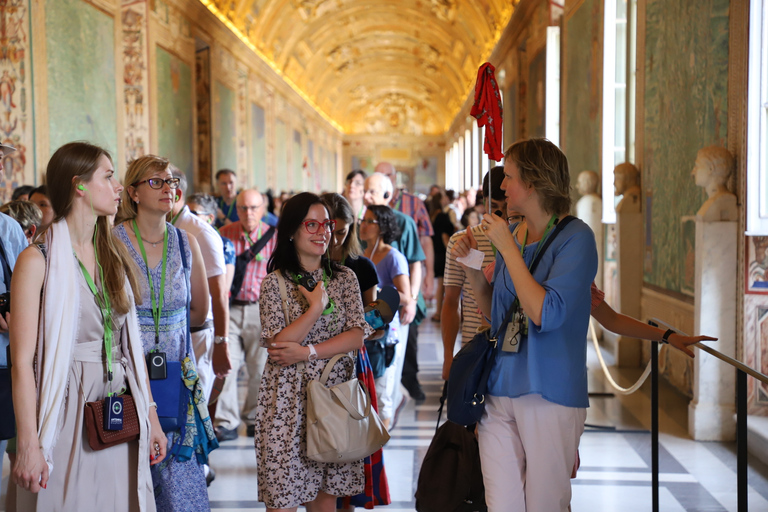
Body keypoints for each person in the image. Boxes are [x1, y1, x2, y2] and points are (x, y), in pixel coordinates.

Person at [10, 142, 165, 511]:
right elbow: (21, 364)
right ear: (78, 185)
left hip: (117, 405)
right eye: (108, 177)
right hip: (65, 403)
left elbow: (131, 347)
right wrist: (29, 444)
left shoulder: (112, 253)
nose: (117, 187)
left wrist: (152, 418)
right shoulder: (37, 260)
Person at [452, 138, 597, 511]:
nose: (502, 186)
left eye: (510, 177)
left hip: (548, 392)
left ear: (532, 183)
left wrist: (509, 252)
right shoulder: (514, 234)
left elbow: (544, 313)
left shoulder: (577, 238)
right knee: (502, 505)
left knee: (545, 505)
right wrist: (472, 268)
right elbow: (497, 314)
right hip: (499, 390)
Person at [255, 192, 371, 511]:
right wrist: (315, 309)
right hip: (285, 405)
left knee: (324, 501)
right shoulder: (273, 283)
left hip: (332, 400)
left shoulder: (344, 278)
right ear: (292, 231)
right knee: (282, 499)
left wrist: (306, 352)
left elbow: (356, 336)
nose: (323, 232)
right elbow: (278, 343)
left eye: (327, 224)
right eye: (311, 224)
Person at [114, 154, 215, 511]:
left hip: (174, 370)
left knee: (177, 481)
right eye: (156, 182)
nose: (168, 188)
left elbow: (201, 309)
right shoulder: (112, 242)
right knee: (131, 469)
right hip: (125, 368)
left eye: (171, 181)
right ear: (134, 192)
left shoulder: (185, 242)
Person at [321, 192, 391, 510]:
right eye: (328, 229)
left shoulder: (361, 267)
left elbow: (373, 323)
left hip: (351, 364)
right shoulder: (303, 263)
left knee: (350, 443)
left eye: (341, 231)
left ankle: (347, 502)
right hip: (313, 360)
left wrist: (374, 321)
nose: (334, 239)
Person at [216, 189, 277, 440]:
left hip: (260, 309)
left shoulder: (274, 237)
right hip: (230, 308)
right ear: (236, 209)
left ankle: (254, 417)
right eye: (243, 208)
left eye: (253, 208)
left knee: (260, 367)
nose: (248, 213)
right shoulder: (224, 234)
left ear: (262, 209)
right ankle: (226, 421)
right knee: (226, 366)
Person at [168, 168, 232, 399]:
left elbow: (220, 293)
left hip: (197, 335)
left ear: (175, 194)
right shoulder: (158, 229)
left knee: (195, 408)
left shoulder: (201, 232)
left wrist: (221, 343)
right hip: (170, 334)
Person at [363, 173, 423, 409]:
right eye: (363, 221)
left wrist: (410, 301)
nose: (366, 196)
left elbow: (413, 267)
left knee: (386, 380)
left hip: (388, 322)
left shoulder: (395, 248)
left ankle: (389, 414)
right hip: (367, 323)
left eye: (372, 191)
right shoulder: (363, 248)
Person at [441, 166, 506, 380]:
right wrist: (449, 356)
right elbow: (451, 302)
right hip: (474, 346)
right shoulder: (462, 242)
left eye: (508, 208)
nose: (502, 216)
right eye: (494, 207)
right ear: (483, 203)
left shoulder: (527, 240)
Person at [374, 162, 432, 401]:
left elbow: (424, 241)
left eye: (386, 176)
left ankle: (410, 380)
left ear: (393, 180)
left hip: (404, 287)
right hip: (377, 296)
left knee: (410, 340)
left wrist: (423, 284)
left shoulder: (411, 207)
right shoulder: (366, 217)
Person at [360, 205, 411, 429]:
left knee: (382, 388)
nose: (363, 225)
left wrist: (377, 293)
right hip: (365, 330)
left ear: (381, 227)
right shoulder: (361, 256)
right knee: (366, 384)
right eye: (363, 220)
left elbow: (406, 296)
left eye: (369, 221)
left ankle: (383, 434)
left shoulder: (393, 257)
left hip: (385, 332)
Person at [187, 192, 236, 291]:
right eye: (185, 213)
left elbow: (223, 290)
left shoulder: (224, 245)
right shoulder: (183, 241)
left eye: (193, 214)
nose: (187, 218)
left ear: (209, 219)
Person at [428, 189, 454, 322]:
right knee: (445, 285)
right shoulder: (443, 216)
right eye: (443, 197)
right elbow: (445, 237)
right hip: (444, 254)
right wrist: (452, 253)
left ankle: (438, 311)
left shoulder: (433, 215)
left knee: (440, 284)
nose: (446, 199)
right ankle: (441, 312)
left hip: (435, 253)